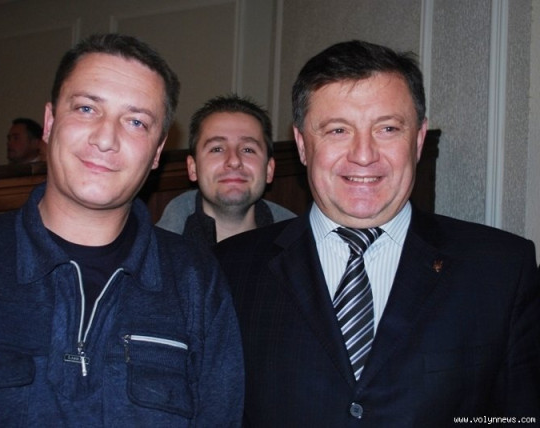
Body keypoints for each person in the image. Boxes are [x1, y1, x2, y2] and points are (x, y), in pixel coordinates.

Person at [0, 33, 243, 426]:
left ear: (157, 152)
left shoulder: (195, 281)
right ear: (49, 123)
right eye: (86, 108)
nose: (106, 138)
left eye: (135, 121)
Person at [214, 40, 540, 426]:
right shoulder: (227, 269)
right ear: (302, 145)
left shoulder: (501, 269)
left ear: (418, 140)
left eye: (387, 128)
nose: (364, 154)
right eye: (338, 130)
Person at [156, 94, 295, 249]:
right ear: (192, 168)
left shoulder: (301, 250)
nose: (234, 161)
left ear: (269, 169)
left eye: (248, 149)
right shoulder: (155, 254)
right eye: (217, 149)